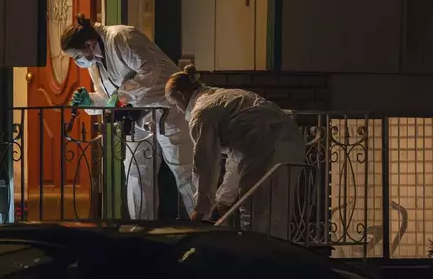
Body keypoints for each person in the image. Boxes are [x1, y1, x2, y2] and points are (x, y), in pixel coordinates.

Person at [60, 14, 196, 219]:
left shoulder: (121, 38)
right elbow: (108, 98)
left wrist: (120, 95)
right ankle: (141, 231)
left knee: (185, 172)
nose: (76, 61)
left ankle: (208, 225)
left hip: (167, 109)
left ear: (88, 45)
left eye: (75, 56)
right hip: (136, 118)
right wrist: (91, 102)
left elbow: (150, 70)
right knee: (136, 174)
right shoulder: (94, 62)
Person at [165, 64, 306, 238]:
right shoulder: (223, 96)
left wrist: (200, 211)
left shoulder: (201, 114)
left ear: (180, 95)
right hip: (292, 142)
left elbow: (205, 164)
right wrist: (224, 200)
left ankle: (258, 263)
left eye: (174, 104)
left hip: (264, 147)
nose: (177, 109)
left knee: (256, 215)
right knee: (277, 216)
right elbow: (237, 156)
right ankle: (279, 260)